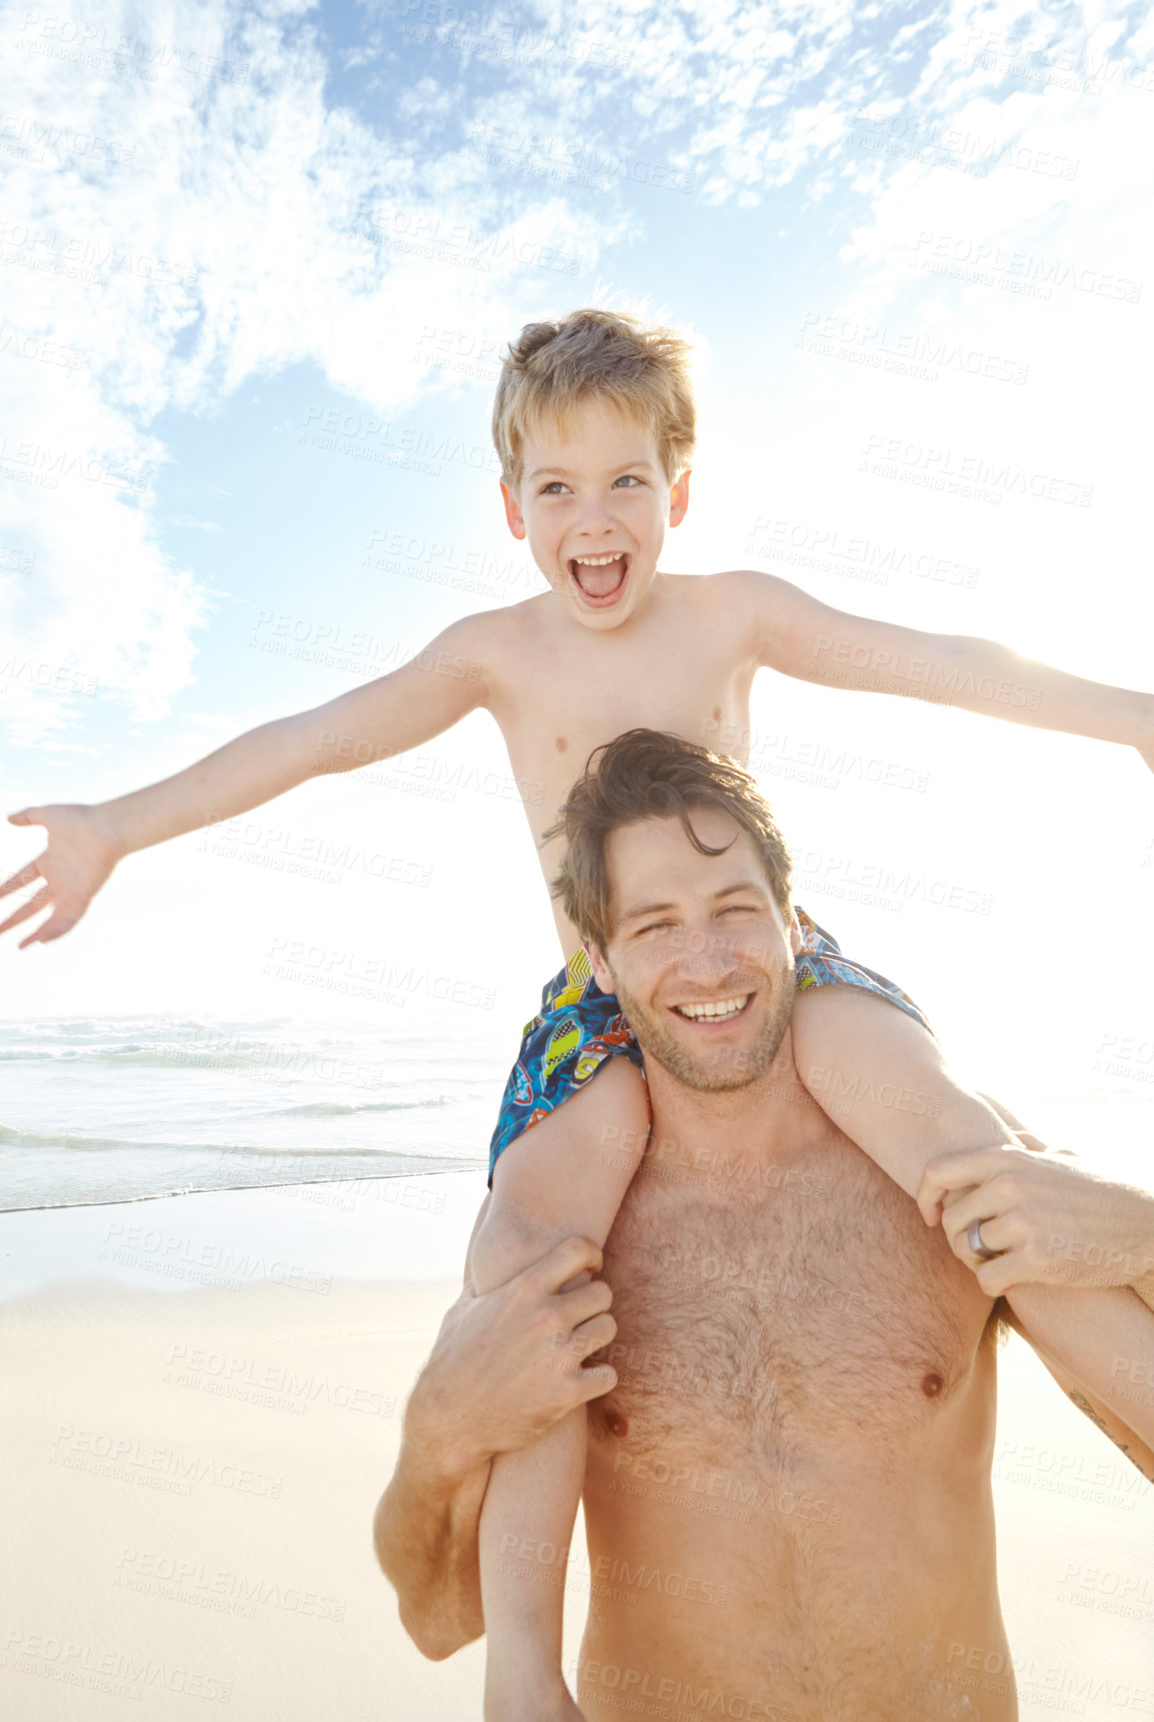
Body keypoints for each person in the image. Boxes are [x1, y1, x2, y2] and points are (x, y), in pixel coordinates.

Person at [2, 311, 1151, 1713]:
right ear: (510, 510)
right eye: (556, 487)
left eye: (624, 483)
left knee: (976, 1162)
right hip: (598, 1005)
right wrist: (116, 825)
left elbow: (943, 659)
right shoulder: (493, 653)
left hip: (774, 956)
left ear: (677, 494)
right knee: (543, 1272)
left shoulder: (736, 611)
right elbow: (307, 739)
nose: (592, 519)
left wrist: (1135, 719)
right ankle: (525, 1675)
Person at [375, 732, 1154, 1718]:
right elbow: (440, 1620)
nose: (705, 963)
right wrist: (436, 1431)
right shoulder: (563, 1245)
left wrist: (1145, 1229)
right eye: (653, 925)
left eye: (735, 911)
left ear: (794, 921)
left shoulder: (943, 1181)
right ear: (598, 963)